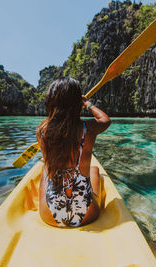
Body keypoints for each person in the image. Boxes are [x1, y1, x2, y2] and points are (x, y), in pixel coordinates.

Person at [36, 77, 111, 227]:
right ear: (77, 102)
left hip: (49, 215)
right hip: (86, 214)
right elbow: (105, 120)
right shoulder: (88, 128)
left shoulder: (42, 131)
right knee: (95, 170)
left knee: (45, 170)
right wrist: (87, 103)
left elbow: (55, 123)